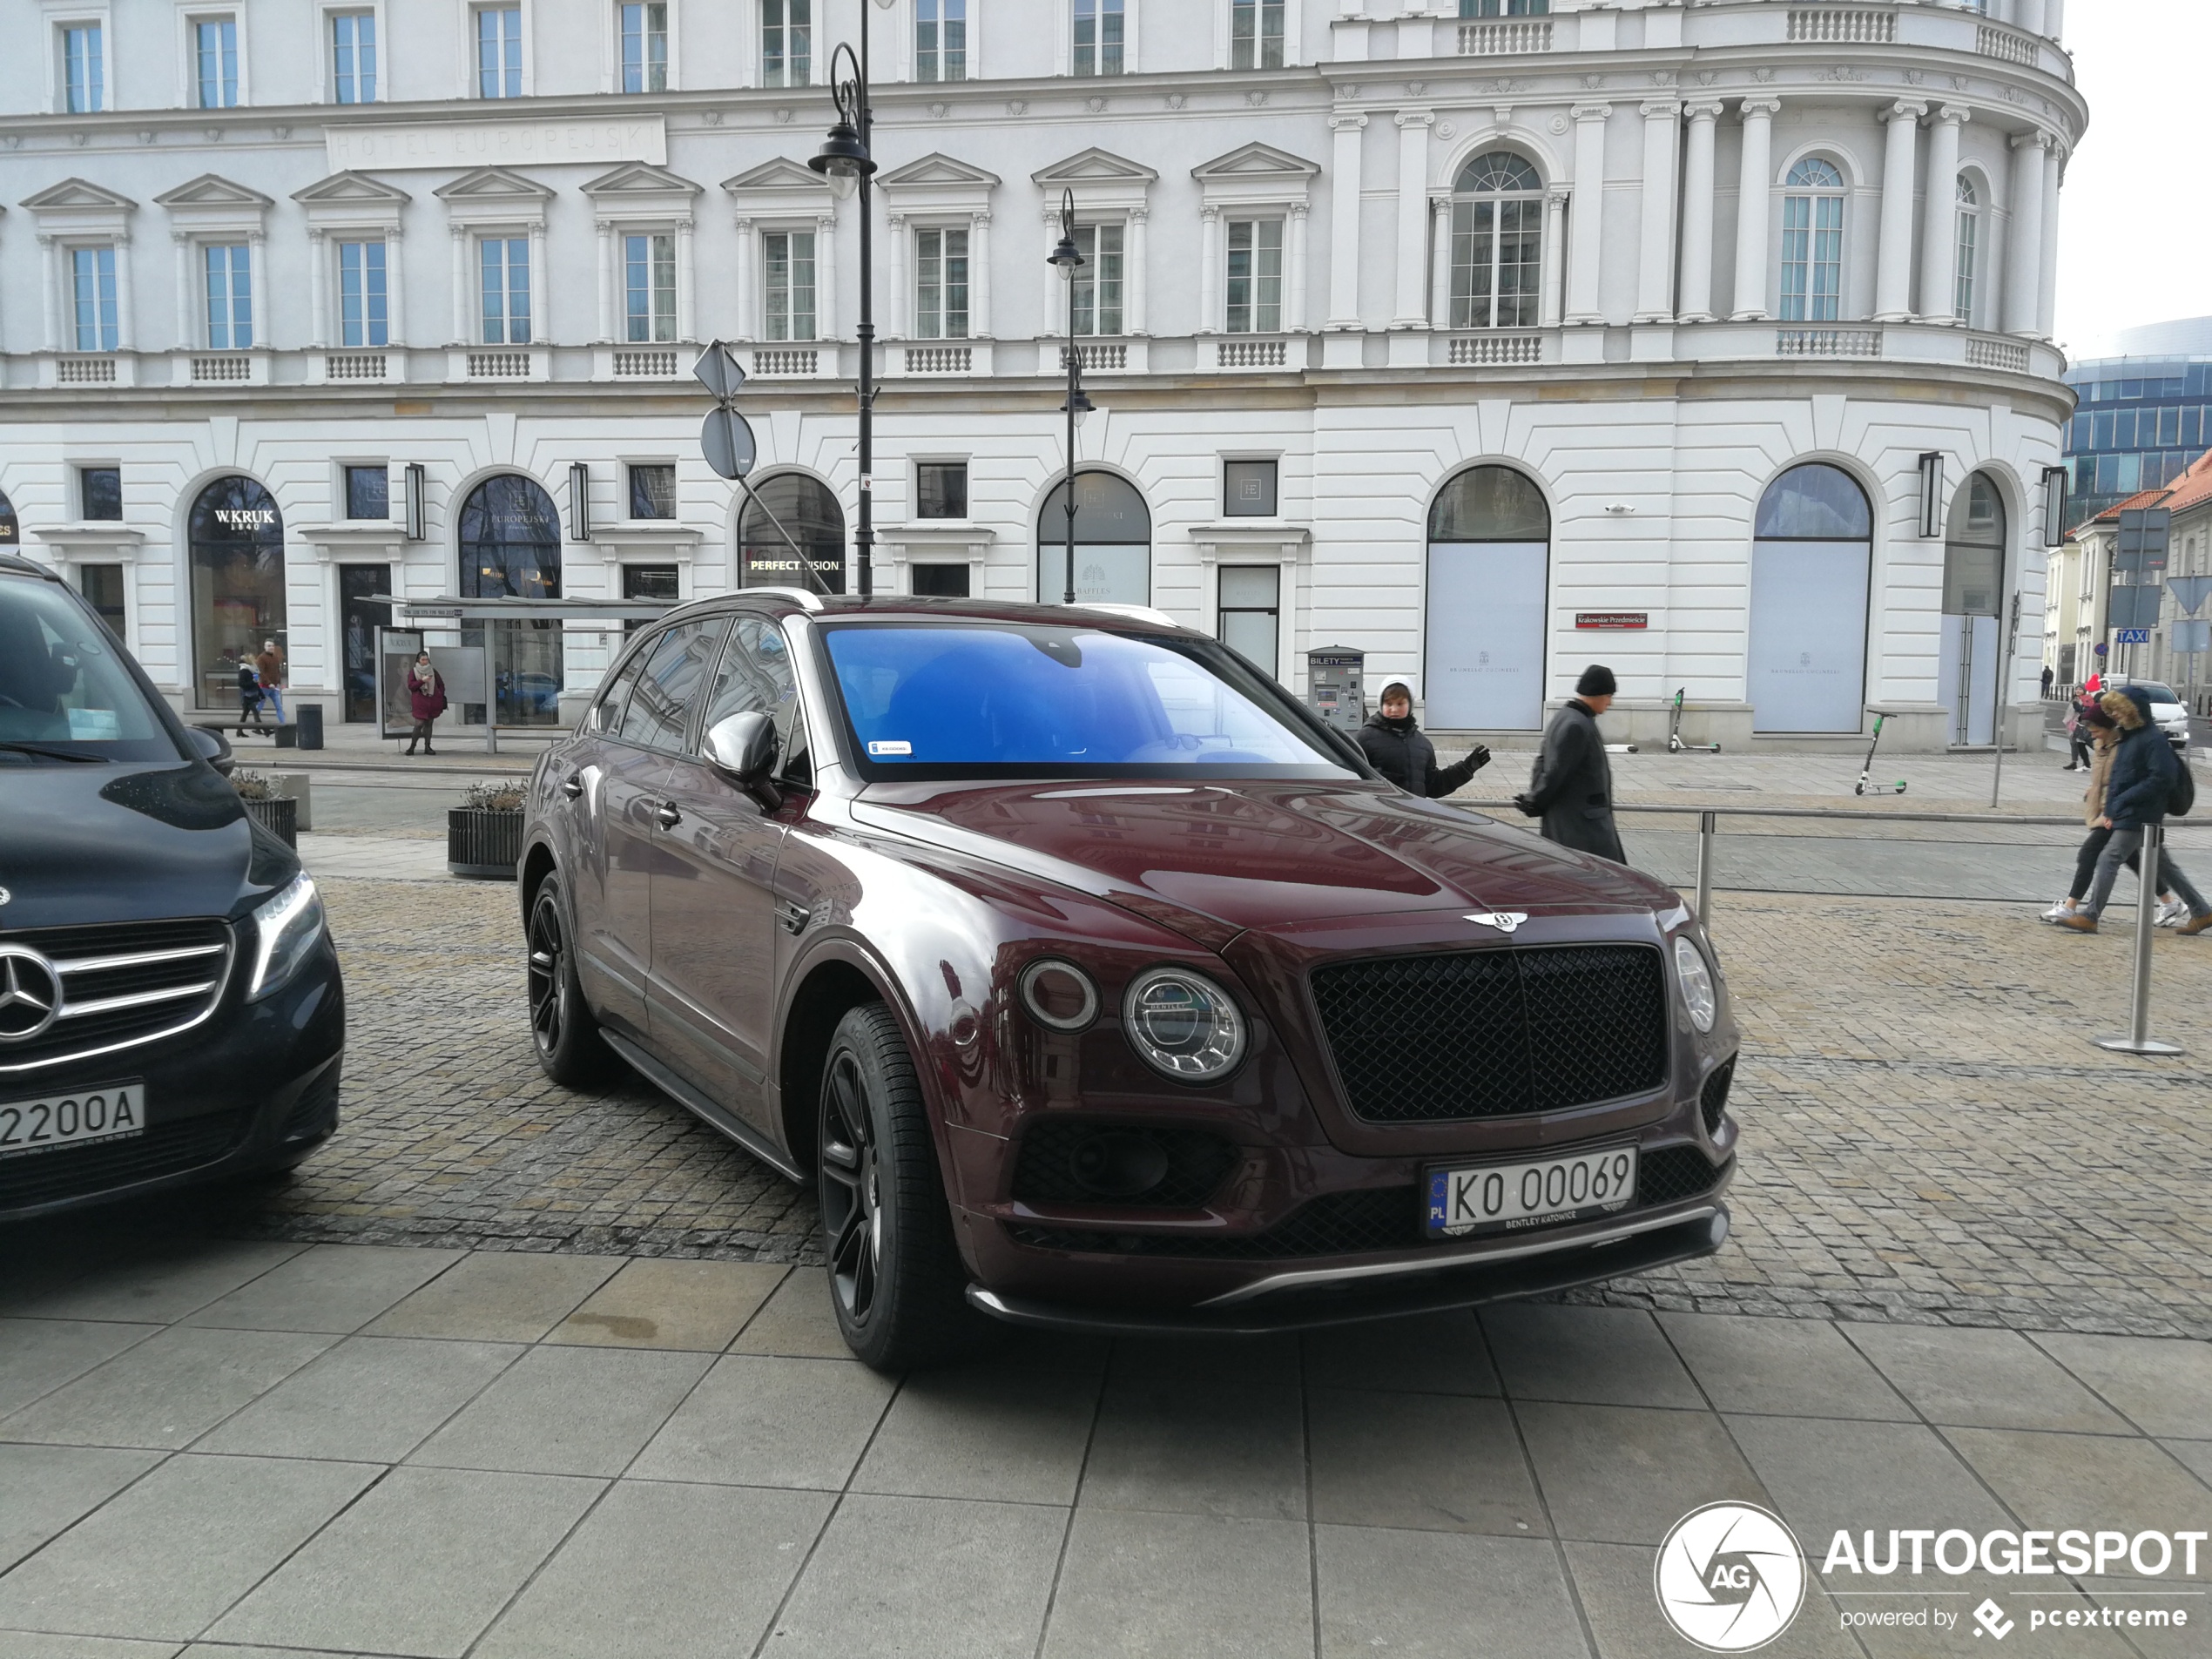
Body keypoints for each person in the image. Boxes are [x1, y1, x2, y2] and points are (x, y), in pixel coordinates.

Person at [2056, 687, 2212, 935]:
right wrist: (2111, 807)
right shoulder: (2130, 737)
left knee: (2109, 858)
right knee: (2164, 866)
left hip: (2142, 814)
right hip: (2135, 811)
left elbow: (2161, 778)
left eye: (2117, 709)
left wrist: (2120, 804)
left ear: (2132, 710)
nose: (2114, 714)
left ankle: (2091, 915)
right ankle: (2202, 911)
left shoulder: (2151, 739)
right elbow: (2121, 777)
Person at [2043, 704, 2181, 926]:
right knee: (2133, 858)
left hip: (2118, 811)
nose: (2091, 733)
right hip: (2108, 807)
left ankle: (2071, 907)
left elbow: (2124, 781)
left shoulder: (2122, 747)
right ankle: (2169, 902)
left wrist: (2112, 811)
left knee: (2089, 854)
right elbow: (2103, 777)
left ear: (2109, 727)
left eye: (2095, 728)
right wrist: (2092, 791)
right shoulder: (2101, 745)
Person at [1514, 664, 1625, 863]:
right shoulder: (1577, 725)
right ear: (1597, 693)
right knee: (1598, 882)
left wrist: (1535, 797)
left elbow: (1542, 762)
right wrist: (1534, 801)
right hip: (1581, 829)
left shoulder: (1568, 717)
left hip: (1576, 823)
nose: (1610, 703)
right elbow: (1555, 771)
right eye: (1609, 696)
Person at [1355, 681, 1489, 798]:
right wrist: (1379, 781)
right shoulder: (1365, 738)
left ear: (1410, 705)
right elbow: (1350, 780)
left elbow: (1433, 786)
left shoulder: (1422, 744)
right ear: (1381, 704)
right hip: (1380, 820)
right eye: (1388, 703)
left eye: (1400, 703)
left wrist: (1465, 769)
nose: (1394, 709)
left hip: (1415, 819)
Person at [405, 651, 446, 757]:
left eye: (426, 659)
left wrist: (439, 695)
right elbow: (411, 686)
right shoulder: (413, 672)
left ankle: (428, 746)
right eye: (423, 660)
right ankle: (412, 747)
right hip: (420, 702)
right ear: (418, 660)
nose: (425, 662)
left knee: (429, 723)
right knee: (419, 724)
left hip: (432, 701)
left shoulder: (433, 671)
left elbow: (441, 684)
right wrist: (422, 681)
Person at [254, 639, 286, 725]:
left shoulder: (275, 657)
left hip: (274, 687)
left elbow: (277, 671)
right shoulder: (261, 658)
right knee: (260, 705)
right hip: (265, 687)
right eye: (269, 646)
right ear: (265, 647)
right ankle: (256, 723)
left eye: (272, 646)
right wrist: (269, 683)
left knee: (279, 707)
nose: (271, 647)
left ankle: (283, 724)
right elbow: (261, 672)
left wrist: (279, 682)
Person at [234, 655, 266, 737]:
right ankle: (265, 730)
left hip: (250, 695)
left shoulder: (251, 670)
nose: (255, 660)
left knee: (245, 714)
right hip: (247, 696)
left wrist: (261, 694)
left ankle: (239, 731)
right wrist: (253, 681)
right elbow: (241, 684)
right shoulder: (244, 671)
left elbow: (256, 684)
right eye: (253, 659)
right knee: (255, 712)